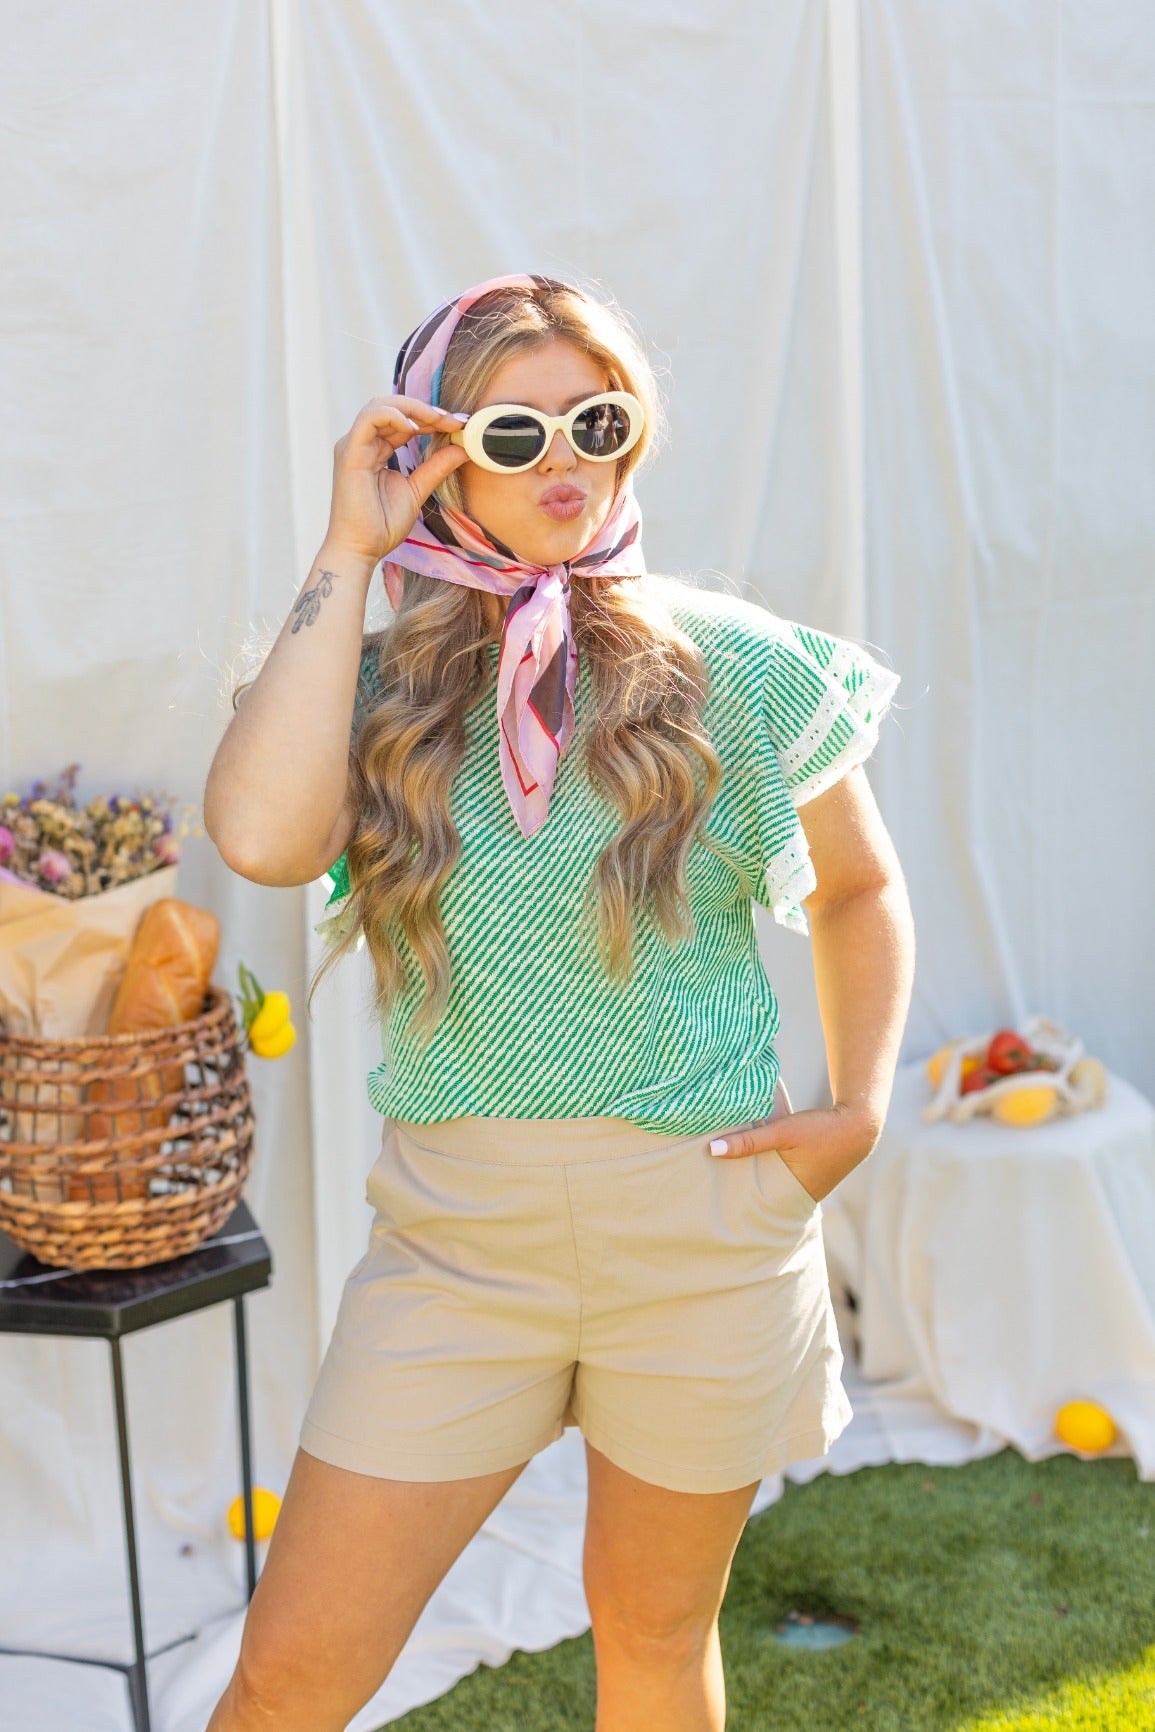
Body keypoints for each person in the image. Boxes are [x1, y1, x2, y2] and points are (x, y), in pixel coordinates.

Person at [202, 272, 915, 1732]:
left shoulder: (743, 664)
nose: (570, 462)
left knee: (652, 1642)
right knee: (287, 1677)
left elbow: (857, 888)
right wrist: (352, 540)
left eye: (596, 420)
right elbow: (265, 841)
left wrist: (861, 1103)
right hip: (461, 1243)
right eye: (513, 435)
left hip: (708, 1230)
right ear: (437, 451)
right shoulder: (375, 680)